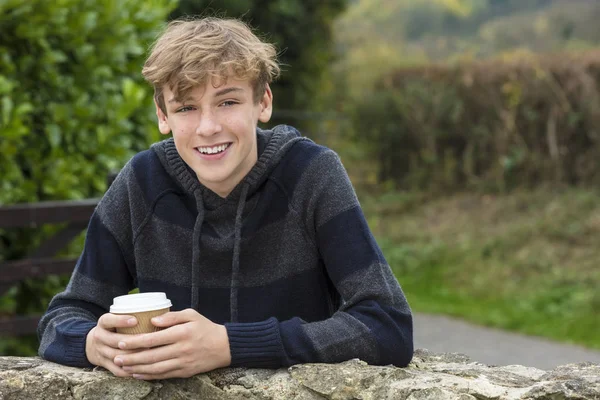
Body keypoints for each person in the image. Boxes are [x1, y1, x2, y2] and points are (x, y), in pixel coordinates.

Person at [37, 17, 413, 380]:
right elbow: (64, 316)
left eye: (227, 102)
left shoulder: (311, 173)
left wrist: (230, 344)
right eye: (186, 107)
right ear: (162, 115)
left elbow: (387, 324)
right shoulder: (141, 182)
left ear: (262, 102)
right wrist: (90, 343)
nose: (208, 127)